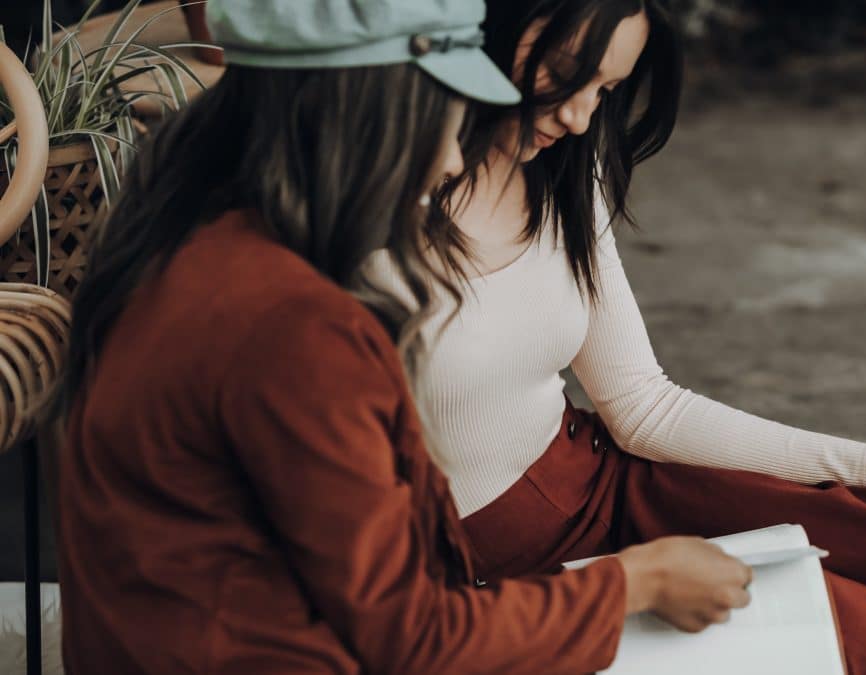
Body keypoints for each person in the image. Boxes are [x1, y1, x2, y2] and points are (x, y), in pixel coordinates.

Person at [363, 1, 866, 672]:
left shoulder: (561, 174)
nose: (582, 117)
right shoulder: (357, 217)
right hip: (500, 563)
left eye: (605, 91)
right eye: (566, 78)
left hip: (602, 478)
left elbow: (643, 404)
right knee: (834, 617)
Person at [46, 1, 760, 672]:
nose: (454, 161)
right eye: (446, 122)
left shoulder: (179, 243)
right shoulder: (295, 326)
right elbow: (413, 637)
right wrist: (635, 580)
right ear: (369, 117)